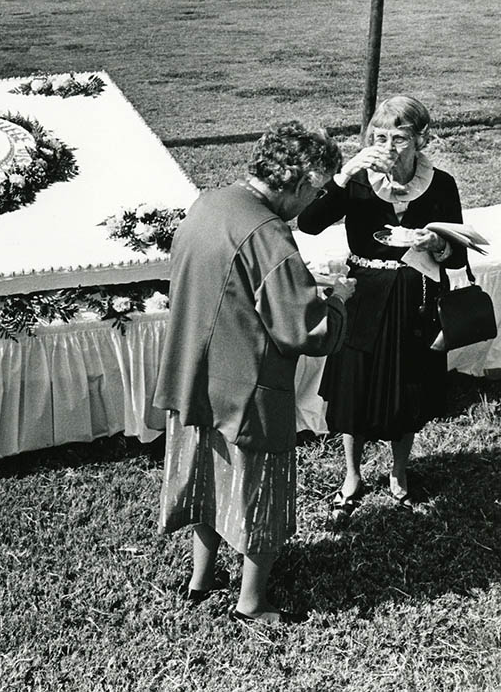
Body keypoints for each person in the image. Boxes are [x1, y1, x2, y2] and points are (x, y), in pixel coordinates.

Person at [151, 121, 355, 624]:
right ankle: (252, 602)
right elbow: (304, 332)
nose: (314, 202)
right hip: (248, 393)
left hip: (193, 379)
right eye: (318, 188)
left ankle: (201, 579)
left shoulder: (209, 203)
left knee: (204, 482)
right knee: (258, 497)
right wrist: (339, 301)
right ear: (303, 178)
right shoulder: (269, 234)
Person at [297, 95, 467, 523]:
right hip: (364, 294)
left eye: (400, 137)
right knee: (354, 386)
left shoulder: (441, 184)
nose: (388, 146)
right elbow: (309, 223)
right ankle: (352, 475)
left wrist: (439, 244)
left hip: (417, 296)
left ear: (422, 139)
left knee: (407, 385)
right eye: (379, 136)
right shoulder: (358, 180)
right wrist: (343, 174)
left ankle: (399, 470)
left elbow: (460, 257)